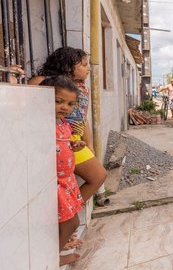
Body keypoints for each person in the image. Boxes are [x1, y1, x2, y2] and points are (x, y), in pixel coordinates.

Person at [28, 47, 107, 206]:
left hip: (75, 142)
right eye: (84, 65)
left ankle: (69, 212)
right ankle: (67, 215)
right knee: (98, 176)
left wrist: (89, 143)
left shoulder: (83, 89)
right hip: (58, 140)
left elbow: (83, 119)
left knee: (96, 177)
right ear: (68, 65)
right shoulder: (43, 81)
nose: (88, 70)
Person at [40, 75, 85, 266]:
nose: (65, 107)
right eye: (59, 101)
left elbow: (63, 144)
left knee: (69, 222)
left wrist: (75, 145)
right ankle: (53, 257)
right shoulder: (42, 124)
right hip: (56, 183)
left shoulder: (63, 124)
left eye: (70, 104)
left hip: (67, 181)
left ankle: (56, 249)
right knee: (72, 223)